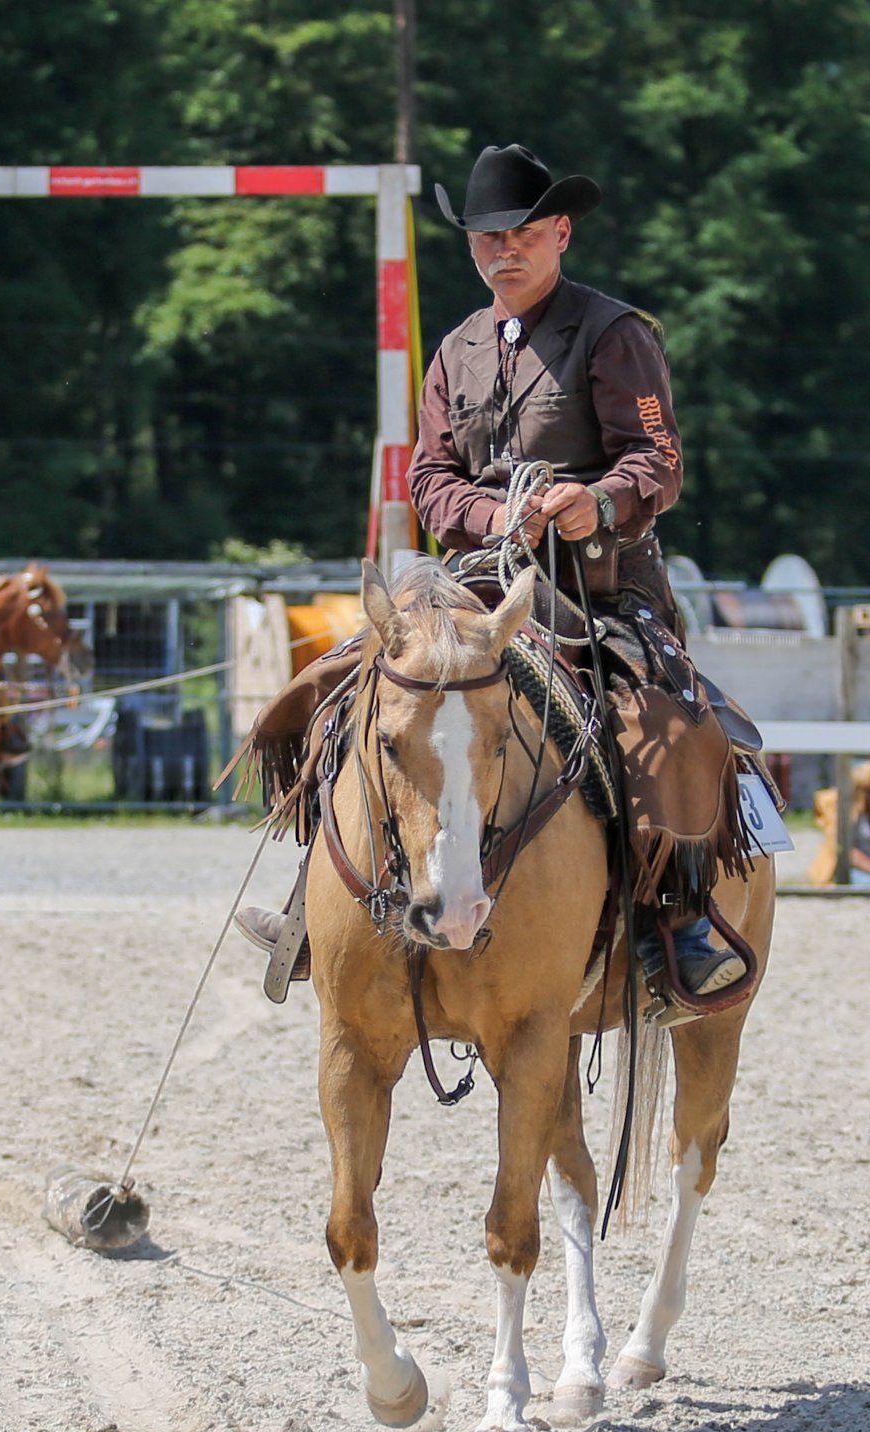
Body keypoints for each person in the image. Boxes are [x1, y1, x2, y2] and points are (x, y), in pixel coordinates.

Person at [237, 145, 750, 1015]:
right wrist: (495, 518)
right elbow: (430, 479)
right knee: (351, 692)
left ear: (560, 233)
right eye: (484, 238)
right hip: (478, 587)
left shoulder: (616, 333)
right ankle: (315, 903)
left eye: (519, 234)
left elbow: (658, 459)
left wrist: (597, 500)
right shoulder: (457, 350)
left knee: (657, 725)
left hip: (601, 592)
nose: (501, 251)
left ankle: (677, 917)